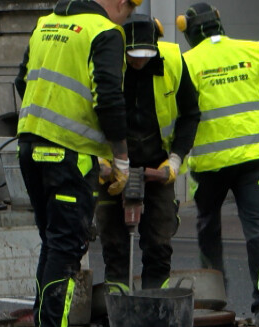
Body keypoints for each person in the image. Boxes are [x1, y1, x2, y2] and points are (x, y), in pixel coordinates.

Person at [14, 0, 139, 327]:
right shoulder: (105, 32)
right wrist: (120, 157)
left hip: (30, 147)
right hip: (66, 156)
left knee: (53, 243)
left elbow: (22, 80)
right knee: (67, 249)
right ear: (120, 3)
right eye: (129, 11)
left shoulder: (46, 23)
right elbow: (108, 97)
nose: (126, 18)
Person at [177, 3, 259, 327]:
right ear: (219, 24)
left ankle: (213, 303)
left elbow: (183, 115)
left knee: (209, 229)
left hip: (210, 166)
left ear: (189, 32)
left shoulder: (188, 62)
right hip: (255, 159)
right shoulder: (254, 51)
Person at [96, 15, 199, 293]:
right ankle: (116, 298)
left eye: (145, 55)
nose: (138, 62)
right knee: (114, 238)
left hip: (157, 162)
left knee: (159, 237)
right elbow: (88, 112)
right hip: (113, 164)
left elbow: (190, 114)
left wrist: (174, 161)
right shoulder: (108, 63)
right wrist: (101, 162)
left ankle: (156, 297)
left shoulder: (173, 62)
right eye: (132, 56)